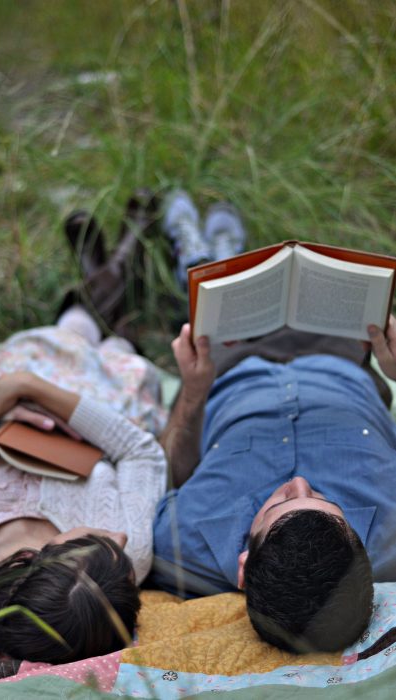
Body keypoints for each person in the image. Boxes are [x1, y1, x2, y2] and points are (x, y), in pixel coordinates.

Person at [152, 192, 396, 653]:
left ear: (244, 566)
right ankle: (224, 250)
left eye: (282, 500)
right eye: (324, 499)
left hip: (229, 360)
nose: (301, 481)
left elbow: (167, 466)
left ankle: (206, 254)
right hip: (340, 351)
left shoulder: (179, 542)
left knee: (211, 299)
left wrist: (194, 389)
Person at [0, 198, 167, 664]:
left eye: (98, 540)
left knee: (54, 347)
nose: (120, 539)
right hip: (101, 415)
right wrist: (28, 388)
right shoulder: (119, 569)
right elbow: (141, 453)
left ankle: (109, 290)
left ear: (32, 561)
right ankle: (118, 286)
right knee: (90, 353)